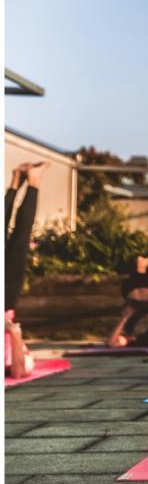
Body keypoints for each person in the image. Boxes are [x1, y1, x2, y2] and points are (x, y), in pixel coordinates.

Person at [5, 162, 49, 378]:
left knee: (18, 238)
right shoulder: (15, 359)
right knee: (19, 240)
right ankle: (29, 182)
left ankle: (19, 182)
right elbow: (19, 372)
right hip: (5, 302)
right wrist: (13, 331)